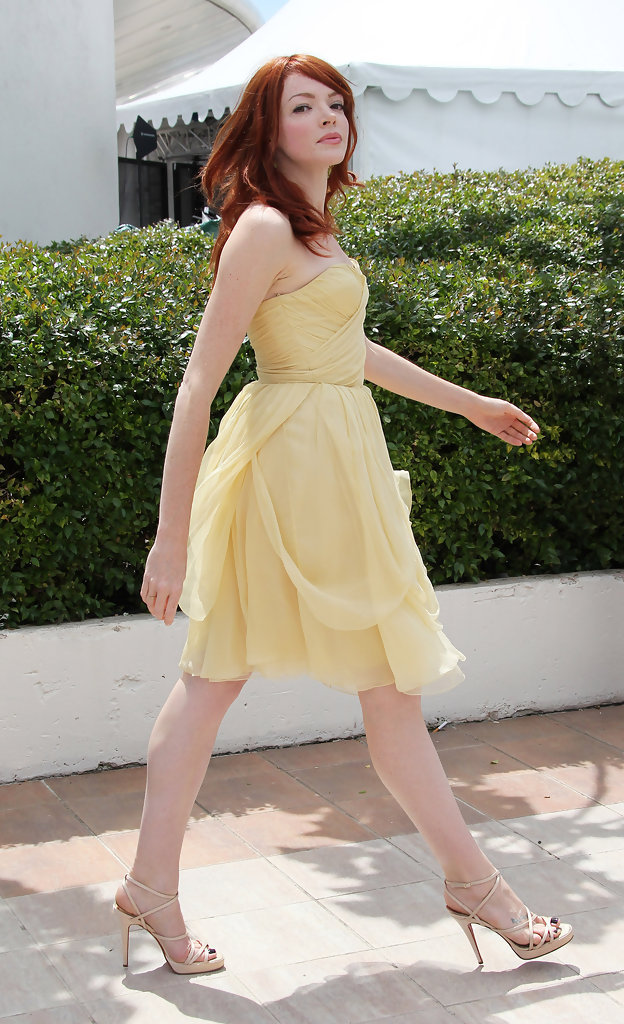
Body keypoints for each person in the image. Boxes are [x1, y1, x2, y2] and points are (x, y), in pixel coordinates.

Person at [113, 54, 573, 975]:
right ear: (266, 128)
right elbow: (198, 382)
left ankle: (467, 882)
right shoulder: (262, 227)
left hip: (338, 465)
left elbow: (346, 349)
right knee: (220, 679)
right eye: (303, 106)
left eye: (336, 103)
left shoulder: (315, 231)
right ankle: (470, 886)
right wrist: (169, 538)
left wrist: (470, 404)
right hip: (286, 469)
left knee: (373, 685)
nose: (328, 117)